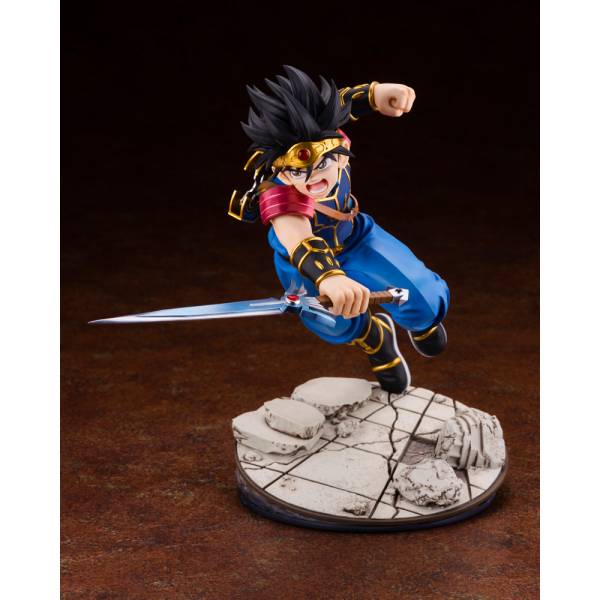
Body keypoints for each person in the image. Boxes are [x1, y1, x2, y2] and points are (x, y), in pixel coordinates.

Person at [228, 66, 449, 393]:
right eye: (297, 172)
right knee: (334, 321)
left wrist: (375, 94)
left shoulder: (327, 135)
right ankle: (374, 338)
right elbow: (298, 239)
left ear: (341, 153)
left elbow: (339, 103)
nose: (311, 178)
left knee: (423, 298)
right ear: (283, 171)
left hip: (355, 238)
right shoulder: (277, 192)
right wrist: (329, 277)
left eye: (322, 165)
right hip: (302, 263)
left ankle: (423, 323)